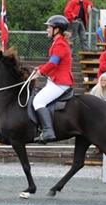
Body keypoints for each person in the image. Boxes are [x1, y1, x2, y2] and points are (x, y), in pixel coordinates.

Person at [32, 15, 73, 144]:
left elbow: (53, 63)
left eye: (49, 27)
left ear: (57, 29)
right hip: (55, 80)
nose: (47, 29)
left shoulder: (60, 44)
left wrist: (40, 72)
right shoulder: (57, 42)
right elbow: (52, 62)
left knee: (38, 102)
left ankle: (48, 131)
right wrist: (39, 68)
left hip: (60, 82)